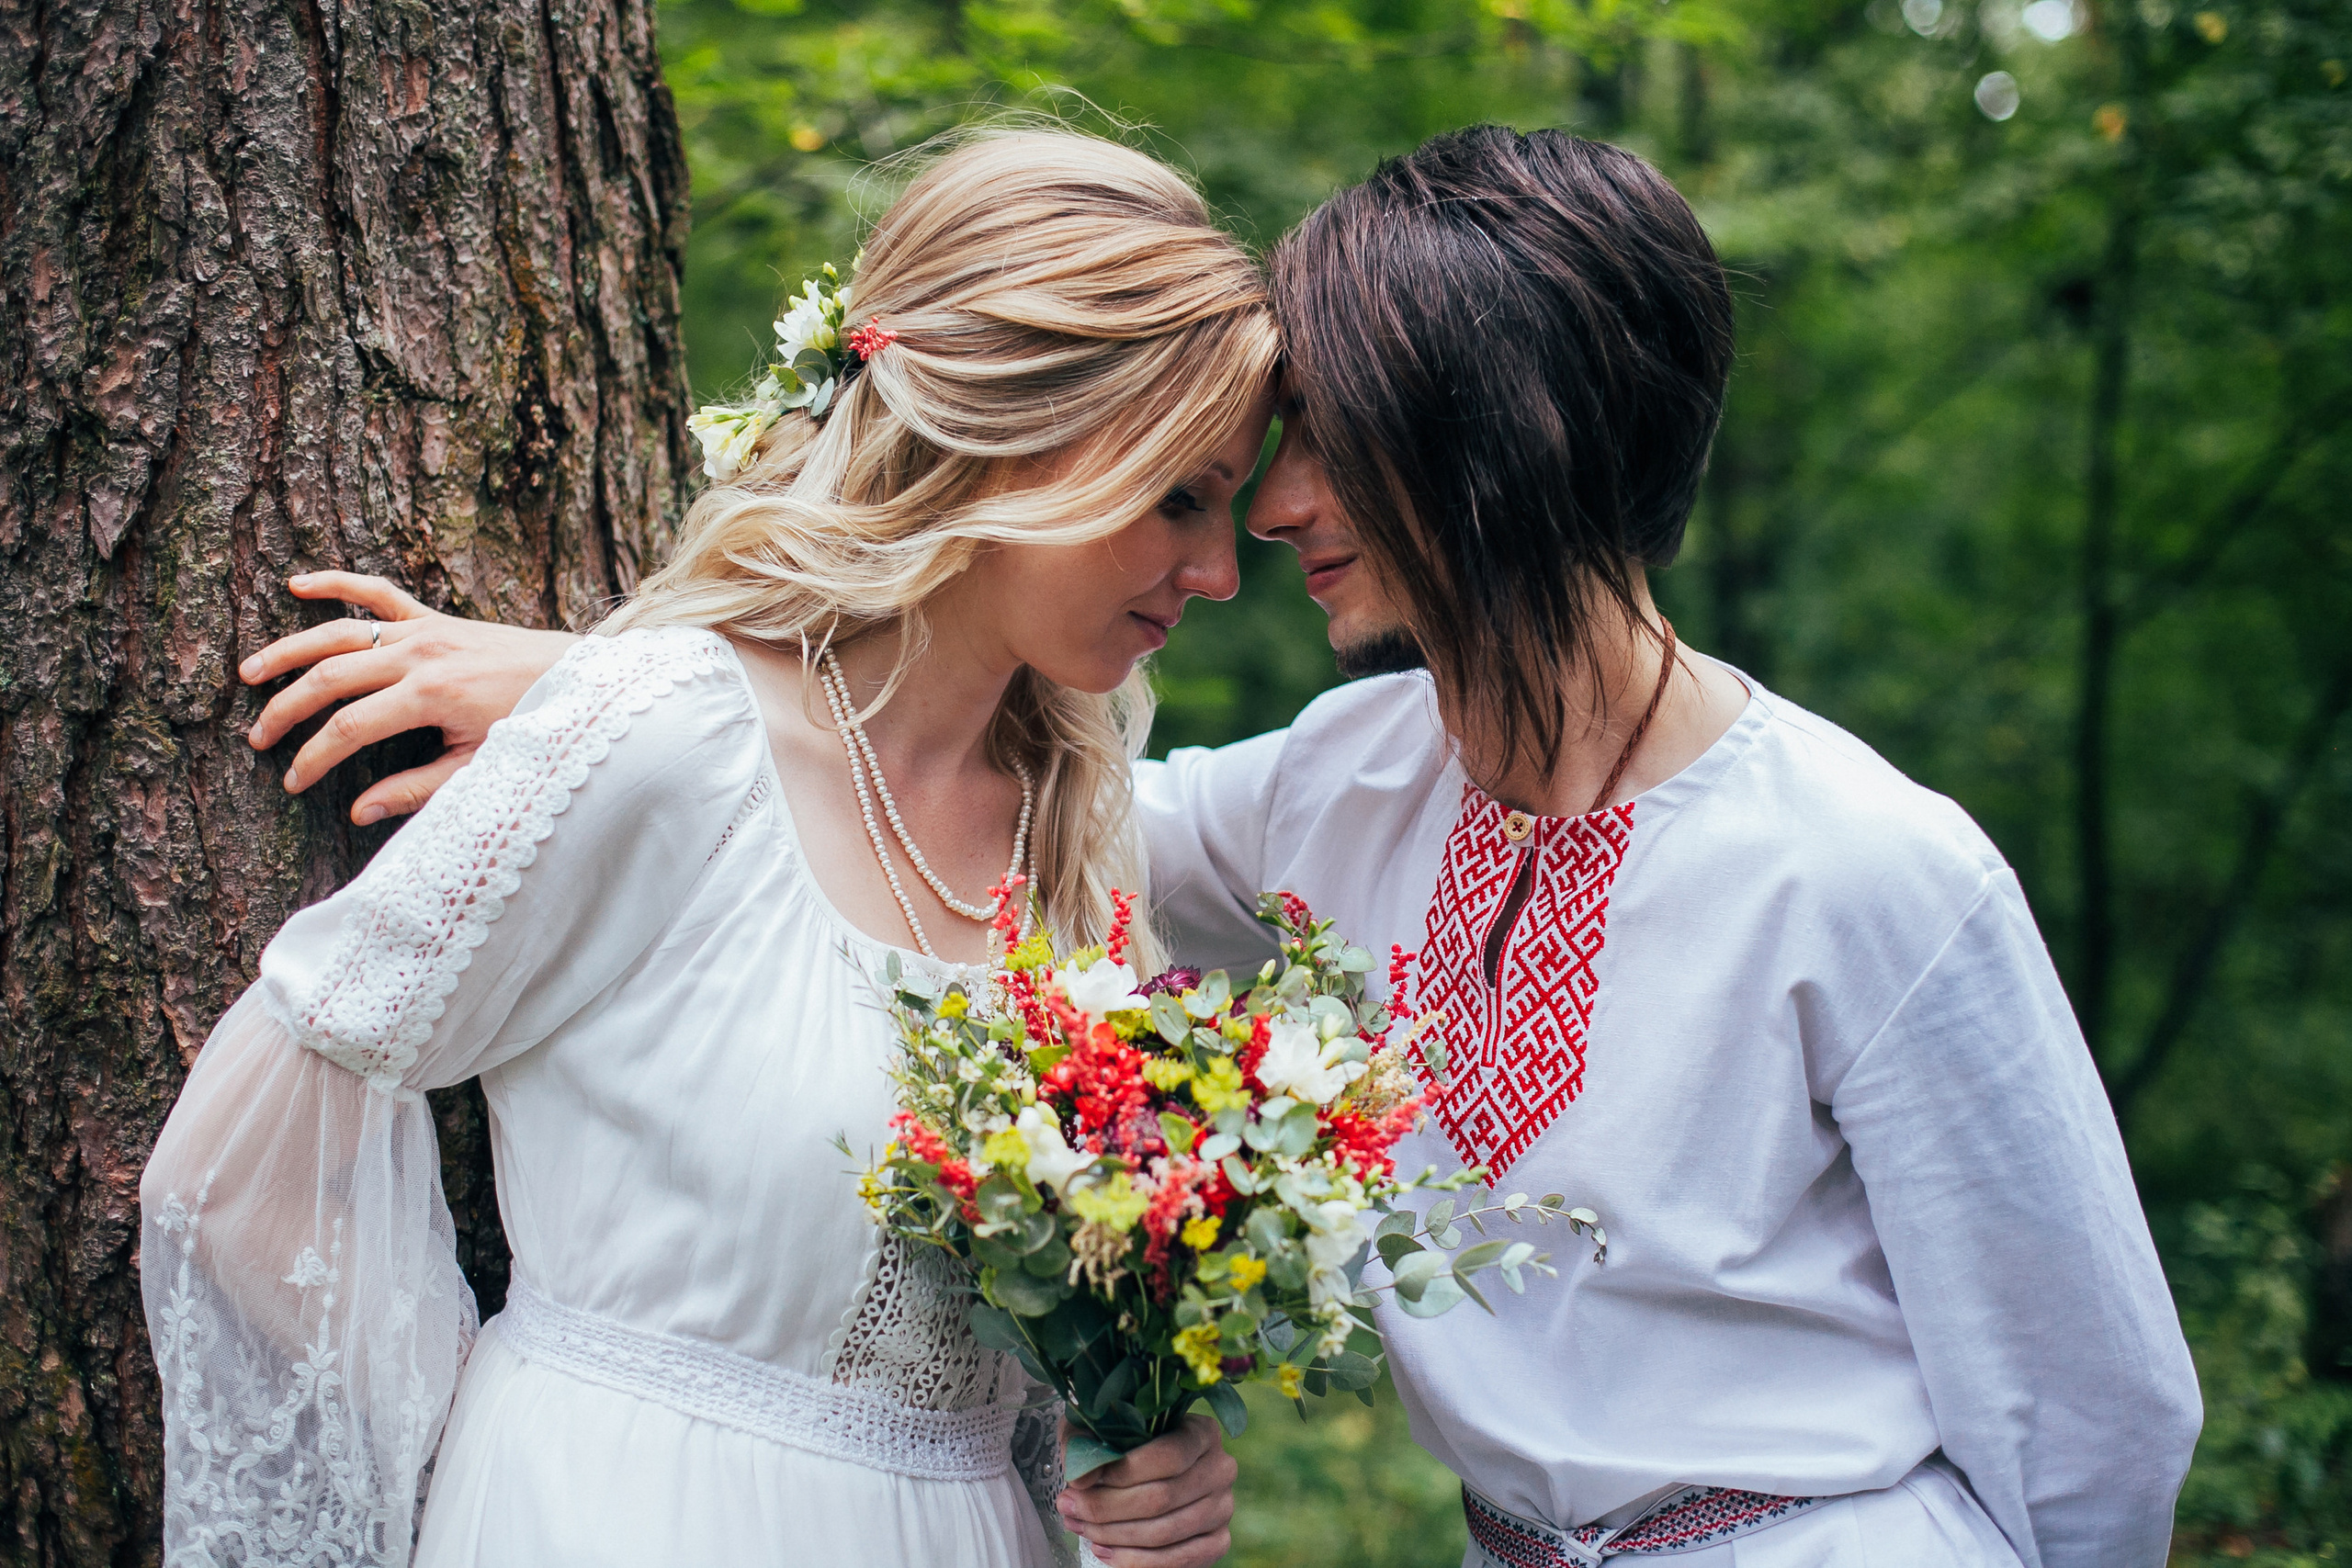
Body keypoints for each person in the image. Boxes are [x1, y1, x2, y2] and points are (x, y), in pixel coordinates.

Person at [232, 128, 2204, 1567]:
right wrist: (580, 678)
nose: (1266, 508)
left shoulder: (1874, 868)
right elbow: (902, 808)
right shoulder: (1343, 784)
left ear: (1479, 447)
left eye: (1319, 434)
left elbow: (2095, 1422)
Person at [137, 129, 1263, 1568]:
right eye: (1181, 494)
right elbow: (238, 1181)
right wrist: (522, 1457)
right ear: (1012, 431)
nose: (1220, 571)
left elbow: (1033, 1351)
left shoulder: (1084, 852)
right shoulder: (671, 736)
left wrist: (1149, 1458)